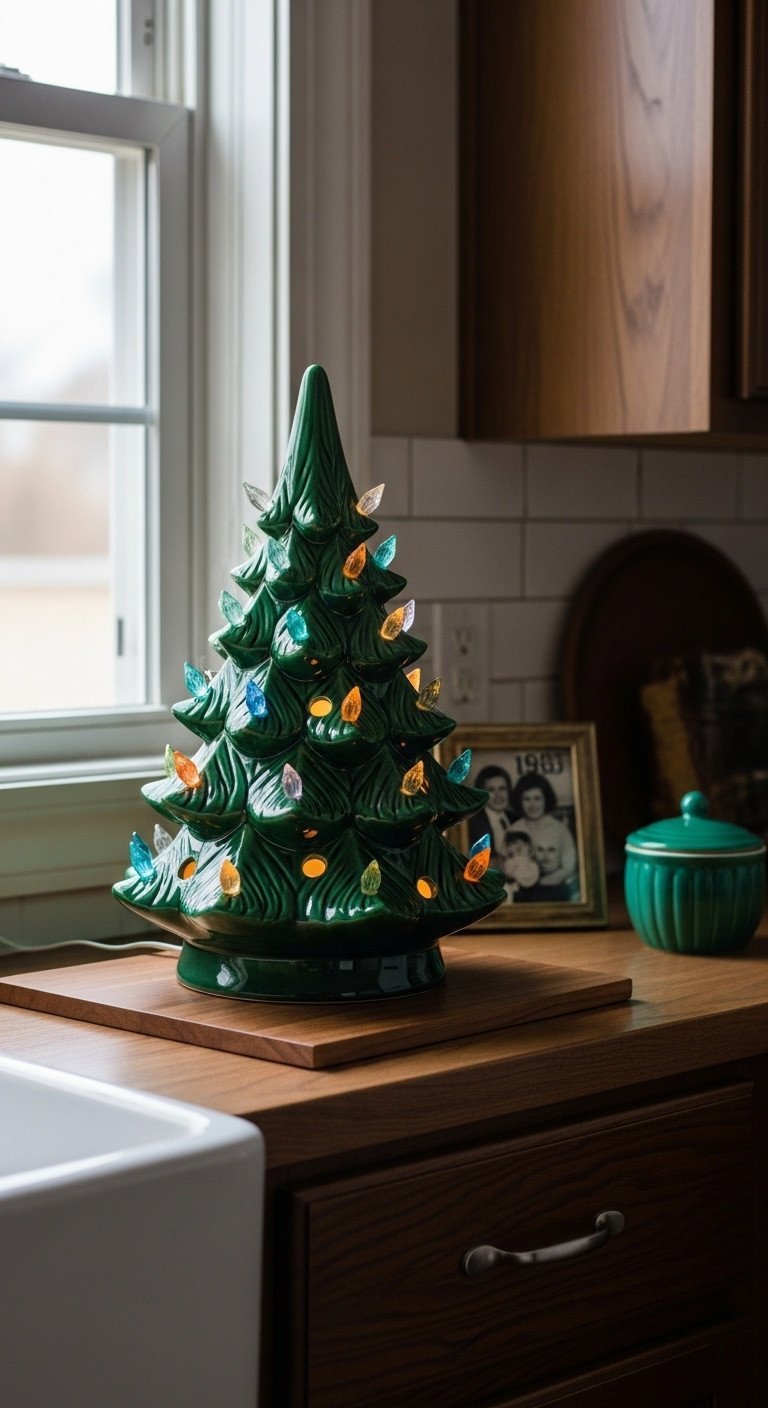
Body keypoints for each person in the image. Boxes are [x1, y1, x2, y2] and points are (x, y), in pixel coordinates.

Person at [507, 771, 580, 901]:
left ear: (546, 799)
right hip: (520, 891)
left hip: (553, 888)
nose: (533, 805)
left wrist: (544, 882)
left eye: (537, 798)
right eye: (527, 799)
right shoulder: (514, 829)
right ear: (520, 801)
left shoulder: (560, 829)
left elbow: (569, 866)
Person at [468, 764, 515, 869]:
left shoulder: (515, 818)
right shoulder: (472, 822)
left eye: (502, 789)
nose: (498, 795)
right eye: (491, 790)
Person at [499, 828, 540, 901]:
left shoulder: (531, 864)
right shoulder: (508, 862)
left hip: (528, 891)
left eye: (522, 844)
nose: (517, 846)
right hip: (512, 891)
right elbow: (506, 874)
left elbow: (531, 880)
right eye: (512, 844)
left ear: (529, 847)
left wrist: (517, 876)